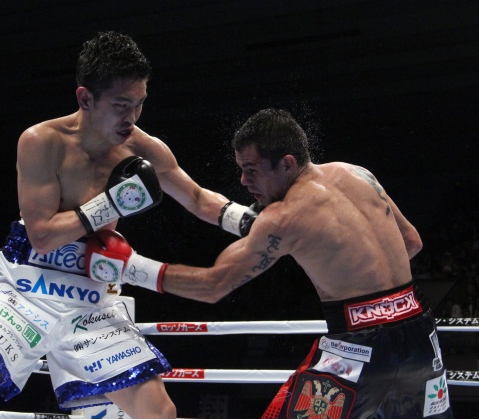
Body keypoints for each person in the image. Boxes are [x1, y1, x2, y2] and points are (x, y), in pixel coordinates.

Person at [0, 31, 257, 419]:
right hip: (27, 284)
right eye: (121, 105)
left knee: (159, 411)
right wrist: (110, 203)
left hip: (92, 292)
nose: (131, 117)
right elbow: (42, 235)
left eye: (139, 104)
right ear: (85, 98)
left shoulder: (143, 148)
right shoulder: (42, 142)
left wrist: (249, 222)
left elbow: (197, 198)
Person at [86, 108, 454, 418]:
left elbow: (214, 286)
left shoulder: (284, 217)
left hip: (358, 344)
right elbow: (411, 241)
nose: (243, 180)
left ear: (287, 163)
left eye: (252, 169)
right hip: (420, 334)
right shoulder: (357, 173)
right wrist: (357, 276)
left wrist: (130, 267)